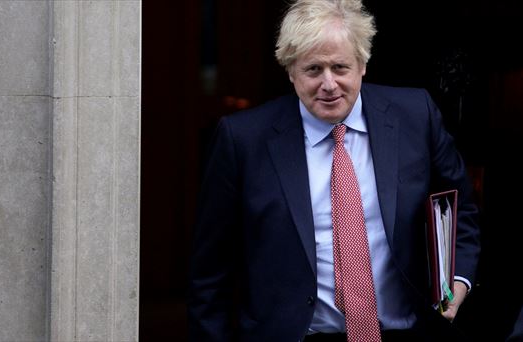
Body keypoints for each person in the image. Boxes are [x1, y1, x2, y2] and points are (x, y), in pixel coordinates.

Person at [187, 0, 481, 341]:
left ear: (362, 65)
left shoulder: (415, 116)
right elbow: (210, 271)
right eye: (313, 70)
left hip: (405, 332)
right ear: (290, 70)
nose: (328, 84)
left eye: (340, 67)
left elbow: (461, 212)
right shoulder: (243, 140)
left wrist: (457, 281)